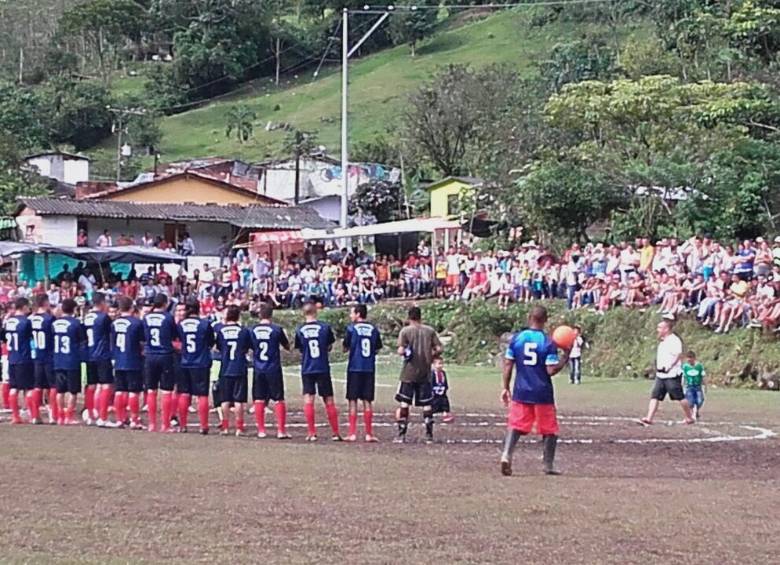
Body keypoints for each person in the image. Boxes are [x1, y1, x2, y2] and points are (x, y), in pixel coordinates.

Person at [499, 305, 571, 476]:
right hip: (542, 392)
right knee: (550, 429)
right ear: (545, 320)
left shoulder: (517, 339)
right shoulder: (548, 342)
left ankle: (506, 454)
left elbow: (508, 364)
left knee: (515, 424)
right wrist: (565, 357)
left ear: (529, 318)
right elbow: (550, 370)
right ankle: (548, 465)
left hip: (521, 390)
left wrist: (505, 387)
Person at [294, 302, 341, 442]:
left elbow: (300, 348)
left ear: (304, 313)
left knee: (309, 398)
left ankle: (311, 433)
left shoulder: (300, 330)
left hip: (307, 367)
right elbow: (329, 345)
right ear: (316, 312)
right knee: (329, 399)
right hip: (322, 366)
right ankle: (335, 432)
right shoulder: (325, 328)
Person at [395, 306, 442, 444]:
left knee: (404, 403)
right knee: (427, 404)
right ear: (421, 317)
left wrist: (406, 352)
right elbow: (439, 348)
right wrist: (430, 354)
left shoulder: (405, 331)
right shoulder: (430, 331)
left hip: (408, 372)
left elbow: (400, 350)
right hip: (425, 372)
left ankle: (401, 435)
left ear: (409, 318)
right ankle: (429, 435)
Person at [640, 318, 694, 426]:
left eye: (660, 327)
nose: (658, 330)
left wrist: (670, 366)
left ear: (666, 329)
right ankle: (649, 418)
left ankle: (689, 417)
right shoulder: (663, 341)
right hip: (661, 375)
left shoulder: (674, 340)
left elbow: (678, 355)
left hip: (672, 375)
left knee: (679, 397)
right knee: (655, 395)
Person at [249, 303, 291, 439]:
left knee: (259, 399)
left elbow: (248, 347)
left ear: (259, 315)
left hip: (258, 368)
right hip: (273, 368)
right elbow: (287, 346)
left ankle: (261, 430)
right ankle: (281, 430)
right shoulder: (277, 329)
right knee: (279, 399)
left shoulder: (252, 330)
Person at [342, 303, 383, 442]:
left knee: (352, 401)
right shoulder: (373, 329)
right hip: (369, 368)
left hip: (354, 367)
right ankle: (369, 434)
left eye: (352, 313)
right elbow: (377, 348)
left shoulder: (351, 329)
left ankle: (352, 433)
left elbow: (345, 347)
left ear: (358, 314)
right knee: (367, 401)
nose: (350, 315)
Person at [177, 300, 215, 435]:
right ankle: (203, 425)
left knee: (184, 393)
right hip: (201, 363)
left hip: (185, 361)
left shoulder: (181, 324)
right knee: (202, 395)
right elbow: (211, 342)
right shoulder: (205, 324)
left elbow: (179, 341)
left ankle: (182, 425)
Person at [142, 294, 178, 432]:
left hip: (150, 355)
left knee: (151, 390)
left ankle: (151, 424)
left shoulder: (146, 318)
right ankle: (165, 424)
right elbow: (173, 335)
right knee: (167, 390)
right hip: (165, 355)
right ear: (165, 303)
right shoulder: (168, 317)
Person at [214, 305, 252, 436]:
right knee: (239, 400)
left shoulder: (221, 331)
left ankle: (225, 427)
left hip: (225, 368)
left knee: (225, 399)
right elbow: (247, 347)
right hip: (239, 367)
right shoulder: (244, 331)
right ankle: (239, 428)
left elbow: (218, 348)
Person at [111, 296, 146, 429]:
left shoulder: (114, 323)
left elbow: (113, 341)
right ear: (132, 307)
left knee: (120, 390)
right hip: (133, 359)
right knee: (133, 391)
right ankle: (134, 419)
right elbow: (142, 341)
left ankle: (120, 419)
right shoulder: (137, 323)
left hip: (119, 359)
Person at [52, 299, 85, 425]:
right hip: (71, 360)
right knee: (73, 391)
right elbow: (82, 341)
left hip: (58, 360)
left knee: (60, 390)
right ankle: (68, 416)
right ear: (74, 309)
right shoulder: (76, 324)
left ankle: (60, 416)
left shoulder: (55, 324)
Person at [84, 293, 114, 427]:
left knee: (91, 385)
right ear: (102, 303)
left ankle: (90, 415)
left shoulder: (87, 316)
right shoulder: (103, 318)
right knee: (106, 385)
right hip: (102, 354)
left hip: (89, 354)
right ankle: (102, 417)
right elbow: (111, 333)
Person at [4, 297, 34, 424]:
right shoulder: (26, 322)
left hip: (12, 358)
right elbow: (30, 337)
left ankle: (15, 416)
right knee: (28, 388)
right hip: (24, 358)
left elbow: (4, 338)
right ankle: (30, 413)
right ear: (24, 307)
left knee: (14, 388)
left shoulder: (8, 321)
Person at [29, 294, 55, 425]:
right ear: (45, 302)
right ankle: (52, 415)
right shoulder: (49, 319)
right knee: (52, 386)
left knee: (37, 386)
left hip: (37, 356)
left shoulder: (31, 319)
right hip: (49, 356)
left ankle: (35, 415)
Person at [682, 351, 706, 421]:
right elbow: (684, 377)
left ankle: (697, 411)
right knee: (690, 401)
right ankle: (692, 413)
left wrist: (705, 385)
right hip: (689, 386)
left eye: (690, 358)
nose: (689, 360)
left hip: (698, 386)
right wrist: (682, 385)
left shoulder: (699, 366)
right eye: (688, 358)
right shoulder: (685, 367)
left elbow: (703, 376)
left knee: (700, 400)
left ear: (694, 358)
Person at [430, 355, 453, 423]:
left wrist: (445, 388)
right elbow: (430, 383)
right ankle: (430, 416)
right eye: (439, 363)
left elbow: (445, 382)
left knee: (445, 403)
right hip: (434, 393)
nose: (441, 365)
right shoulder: (432, 374)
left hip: (442, 392)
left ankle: (445, 414)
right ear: (434, 365)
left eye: (442, 363)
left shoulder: (443, 373)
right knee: (433, 404)